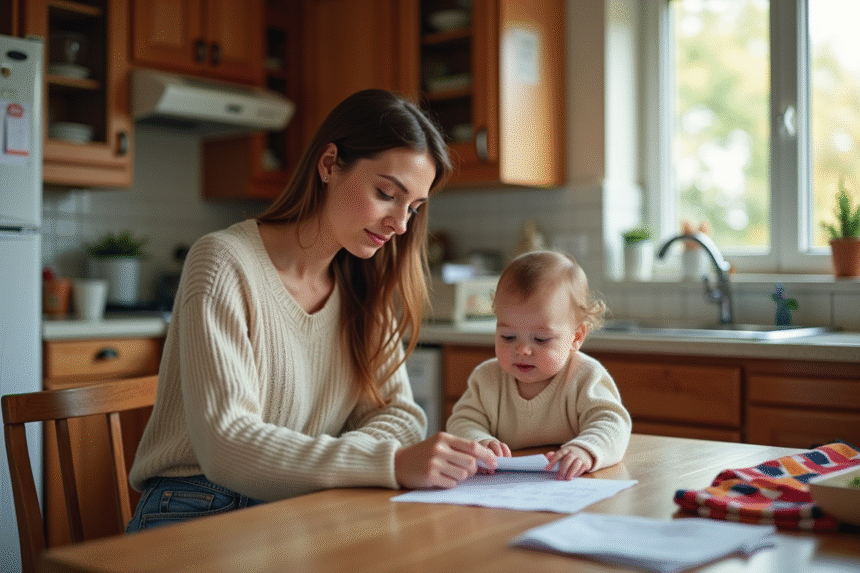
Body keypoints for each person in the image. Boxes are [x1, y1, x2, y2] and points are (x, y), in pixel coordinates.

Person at [126, 89, 496, 532]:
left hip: (307, 503)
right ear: (328, 164)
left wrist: (341, 463)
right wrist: (385, 462)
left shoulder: (363, 284)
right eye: (386, 193)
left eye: (413, 208)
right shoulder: (223, 261)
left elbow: (400, 415)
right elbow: (228, 447)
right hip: (199, 506)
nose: (400, 224)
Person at [446, 250, 632, 480]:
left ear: (576, 338)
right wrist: (479, 441)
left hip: (567, 484)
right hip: (502, 489)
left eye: (541, 339)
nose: (522, 350)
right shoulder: (487, 378)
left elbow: (613, 423)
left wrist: (585, 449)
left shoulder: (585, 376)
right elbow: (462, 421)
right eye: (508, 337)